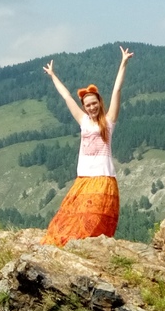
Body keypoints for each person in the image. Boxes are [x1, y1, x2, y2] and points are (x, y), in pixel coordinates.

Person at [41, 46, 133, 246]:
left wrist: (123, 63)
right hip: (84, 178)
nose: (91, 107)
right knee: (74, 216)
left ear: (99, 102)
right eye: (87, 105)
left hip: (103, 177)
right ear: (85, 107)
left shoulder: (108, 122)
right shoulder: (83, 121)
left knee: (96, 216)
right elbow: (67, 97)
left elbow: (117, 90)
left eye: (94, 103)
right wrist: (53, 75)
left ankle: (90, 249)